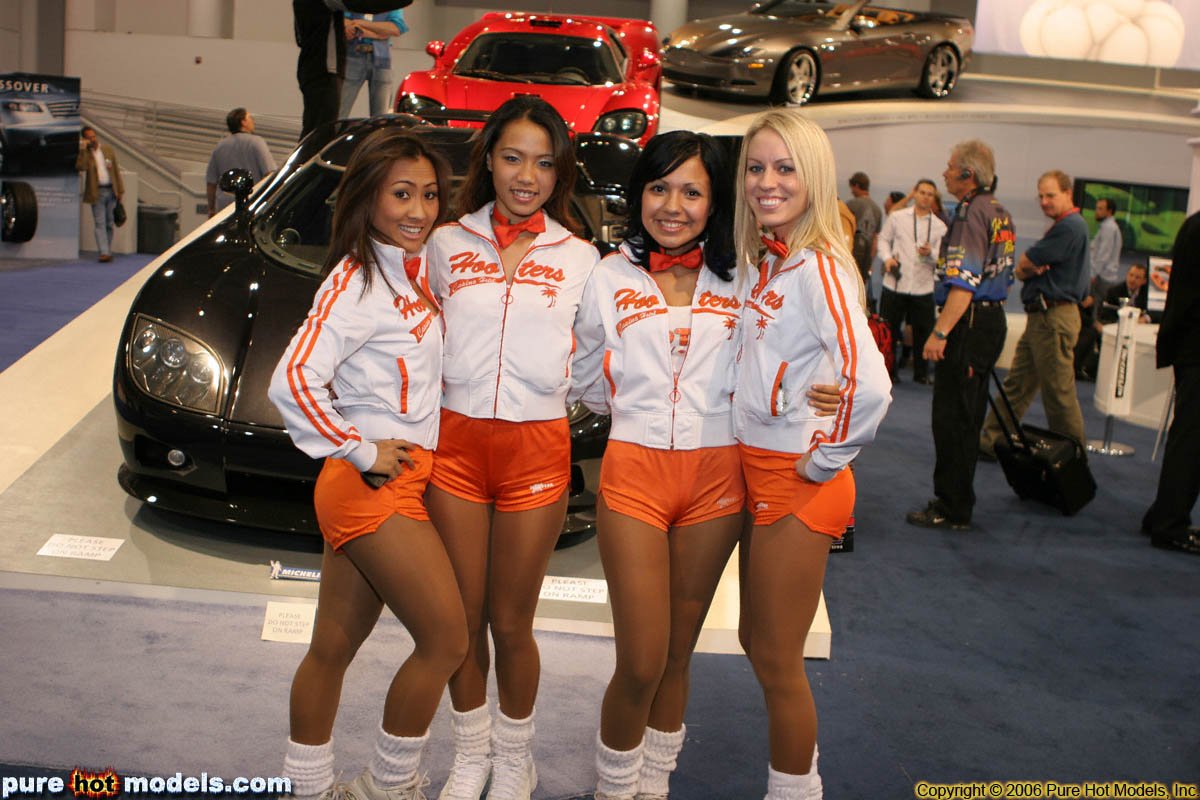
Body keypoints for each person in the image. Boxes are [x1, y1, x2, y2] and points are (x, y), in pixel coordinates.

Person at [267, 128, 464, 800]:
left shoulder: (414, 270)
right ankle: (387, 785)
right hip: (372, 484)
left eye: (429, 195)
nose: (419, 210)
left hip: (393, 480)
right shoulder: (355, 280)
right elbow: (292, 380)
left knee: (331, 648)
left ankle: (308, 788)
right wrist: (358, 448)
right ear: (368, 199)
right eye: (401, 194)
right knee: (446, 641)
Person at [423, 96, 599, 800]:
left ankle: (516, 757)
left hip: (536, 449)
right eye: (513, 158)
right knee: (461, 617)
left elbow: (603, 356)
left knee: (512, 620)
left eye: (544, 163)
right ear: (489, 160)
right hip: (455, 447)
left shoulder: (583, 257)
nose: (527, 176)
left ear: (561, 173)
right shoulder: (444, 243)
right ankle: (472, 755)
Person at [733, 109, 892, 800]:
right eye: (756, 168)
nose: (767, 182)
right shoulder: (774, 260)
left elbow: (872, 383)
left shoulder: (818, 265)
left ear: (815, 176)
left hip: (796, 477)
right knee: (757, 641)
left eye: (785, 168)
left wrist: (824, 457)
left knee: (778, 659)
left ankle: (796, 790)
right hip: (759, 468)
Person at [905, 139, 1015, 531]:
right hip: (988, 322)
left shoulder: (969, 214)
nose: (945, 173)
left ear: (967, 174)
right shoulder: (998, 210)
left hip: (967, 324)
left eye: (950, 167)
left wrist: (939, 331)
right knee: (968, 416)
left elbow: (964, 283)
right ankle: (957, 502)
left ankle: (952, 505)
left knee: (952, 418)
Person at [979, 170, 1090, 457]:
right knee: (1018, 383)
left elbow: (1024, 263)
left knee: (1058, 393)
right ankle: (992, 441)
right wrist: (1027, 268)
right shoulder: (1067, 226)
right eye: (1040, 196)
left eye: (1050, 195)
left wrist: (1026, 268)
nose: (1044, 202)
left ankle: (1072, 458)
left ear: (1068, 193)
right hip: (1043, 318)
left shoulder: (1070, 227)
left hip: (1053, 318)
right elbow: (1025, 266)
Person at [1141, 210, 1200, 555]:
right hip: (1196, 348)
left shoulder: (1194, 224)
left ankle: (1163, 514)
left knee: (1187, 438)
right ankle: (1170, 525)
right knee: (1190, 442)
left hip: (1189, 346)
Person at [293, 0, 411, 138]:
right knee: (325, 125)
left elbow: (396, 27)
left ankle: (316, 149)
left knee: (320, 125)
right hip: (326, 68)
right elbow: (361, 6)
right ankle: (317, 150)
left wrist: (359, 24)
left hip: (321, 66)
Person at [877, 178, 947, 384]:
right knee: (889, 330)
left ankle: (921, 373)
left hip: (922, 286)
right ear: (915, 193)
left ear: (934, 198)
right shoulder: (898, 217)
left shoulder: (940, 227)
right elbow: (883, 239)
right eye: (922, 192)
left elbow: (943, 258)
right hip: (895, 283)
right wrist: (887, 258)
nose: (925, 197)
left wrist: (931, 253)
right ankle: (888, 372)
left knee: (923, 332)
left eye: (930, 194)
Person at [205, 108, 278, 216]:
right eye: (249, 118)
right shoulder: (256, 142)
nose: (252, 121)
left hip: (224, 207)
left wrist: (211, 209)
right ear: (243, 122)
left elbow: (211, 183)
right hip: (251, 202)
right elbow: (270, 173)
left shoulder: (220, 146)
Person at [339, 9, 407, 118]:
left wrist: (360, 24)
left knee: (381, 116)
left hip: (382, 59)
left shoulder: (391, 4)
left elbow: (397, 28)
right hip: (352, 56)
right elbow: (341, 20)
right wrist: (378, 34)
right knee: (340, 110)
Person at [76, 125, 124, 263]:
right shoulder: (86, 154)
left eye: (93, 136)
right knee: (99, 223)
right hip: (96, 192)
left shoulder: (107, 150)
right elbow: (81, 167)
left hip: (111, 190)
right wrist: (83, 149)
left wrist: (120, 190)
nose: (92, 139)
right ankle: (104, 252)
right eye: (89, 137)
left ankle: (107, 249)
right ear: (85, 139)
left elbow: (115, 171)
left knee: (109, 222)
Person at [845, 171, 882, 308]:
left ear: (856, 185)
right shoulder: (877, 210)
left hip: (850, 256)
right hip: (866, 258)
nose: (851, 191)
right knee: (859, 295)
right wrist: (870, 261)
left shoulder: (850, 205)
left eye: (852, 187)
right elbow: (875, 239)